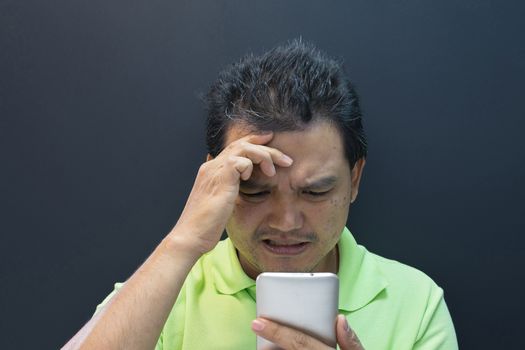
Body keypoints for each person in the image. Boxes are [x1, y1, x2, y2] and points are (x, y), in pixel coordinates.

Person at [63, 39, 458, 350]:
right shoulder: (164, 289)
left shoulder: (416, 303)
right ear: (213, 181)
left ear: (355, 180)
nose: (286, 222)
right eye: (253, 191)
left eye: (316, 191)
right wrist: (182, 242)